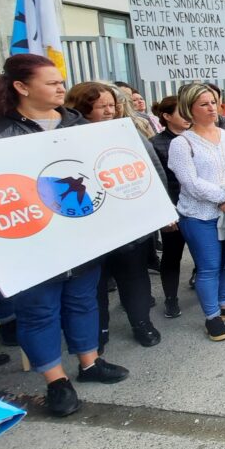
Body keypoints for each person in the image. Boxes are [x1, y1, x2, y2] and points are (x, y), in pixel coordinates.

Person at [0, 55, 130, 416]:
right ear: (22, 88)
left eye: (61, 82)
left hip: (82, 239)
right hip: (27, 244)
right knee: (39, 312)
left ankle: (90, 363)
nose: (61, 88)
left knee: (83, 302)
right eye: (52, 82)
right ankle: (56, 381)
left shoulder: (80, 126)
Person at [65, 82, 163, 349]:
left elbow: (153, 170)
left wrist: (160, 209)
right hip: (90, 227)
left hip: (130, 224)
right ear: (82, 107)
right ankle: (98, 331)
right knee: (95, 284)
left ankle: (142, 323)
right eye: (102, 106)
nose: (109, 111)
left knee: (135, 277)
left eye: (112, 105)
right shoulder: (64, 137)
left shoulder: (126, 131)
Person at [166, 83, 225, 341]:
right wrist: (222, 199)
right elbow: (190, 182)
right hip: (199, 215)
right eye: (204, 104)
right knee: (208, 267)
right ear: (189, 109)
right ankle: (212, 316)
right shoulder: (182, 144)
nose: (211, 108)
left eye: (213, 102)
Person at [151, 96, 191, 319]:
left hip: (199, 207)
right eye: (181, 112)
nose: (187, 116)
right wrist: (165, 214)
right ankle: (171, 299)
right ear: (166, 117)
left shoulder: (196, 138)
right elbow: (156, 183)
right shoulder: (155, 144)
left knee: (204, 254)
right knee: (172, 255)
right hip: (173, 209)